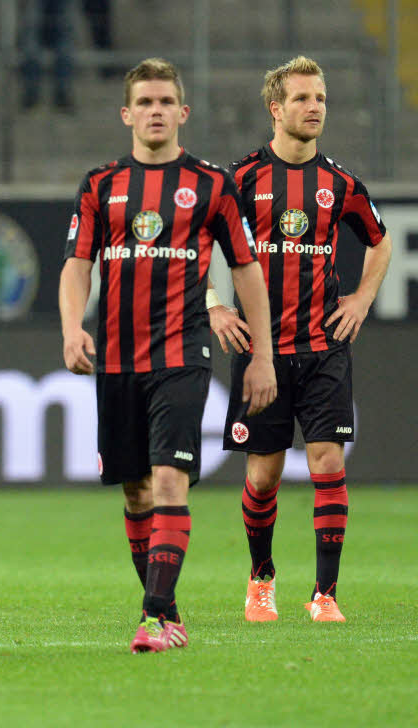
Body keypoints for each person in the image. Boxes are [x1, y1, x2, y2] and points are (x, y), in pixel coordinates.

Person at [58, 57, 277, 653]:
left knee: (169, 478)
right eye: (145, 103)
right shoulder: (100, 184)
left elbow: (247, 271)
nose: (155, 112)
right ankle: (169, 610)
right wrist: (72, 328)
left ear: (182, 112)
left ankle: (153, 618)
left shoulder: (211, 185)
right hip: (117, 360)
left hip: (182, 352)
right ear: (128, 114)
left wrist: (262, 354)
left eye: (165, 103)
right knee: (135, 493)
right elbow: (77, 265)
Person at [207, 56, 392, 624]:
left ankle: (324, 594)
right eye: (303, 99)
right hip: (262, 352)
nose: (315, 108)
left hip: (323, 348)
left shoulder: (340, 184)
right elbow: (196, 242)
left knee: (327, 462)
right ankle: (261, 578)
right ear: (276, 108)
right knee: (262, 475)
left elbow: (380, 243)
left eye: (321, 99)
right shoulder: (241, 179)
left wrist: (360, 300)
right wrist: (214, 305)